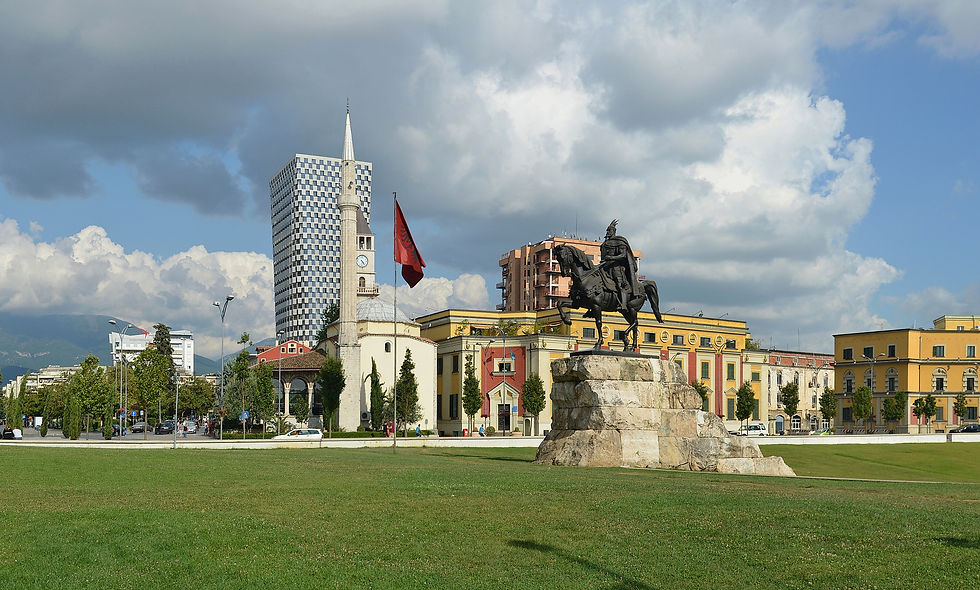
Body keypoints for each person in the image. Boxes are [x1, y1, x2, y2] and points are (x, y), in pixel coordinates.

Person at [599, 219, 640, 313]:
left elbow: (623, 255)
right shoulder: (604, 244)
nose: (608, 232)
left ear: (613, 231)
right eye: (607, 230)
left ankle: (624, 305)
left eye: (609, 230)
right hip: (605, 266)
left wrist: (612, 258)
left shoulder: (620, 242)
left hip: (616, 267)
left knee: (620, 284)